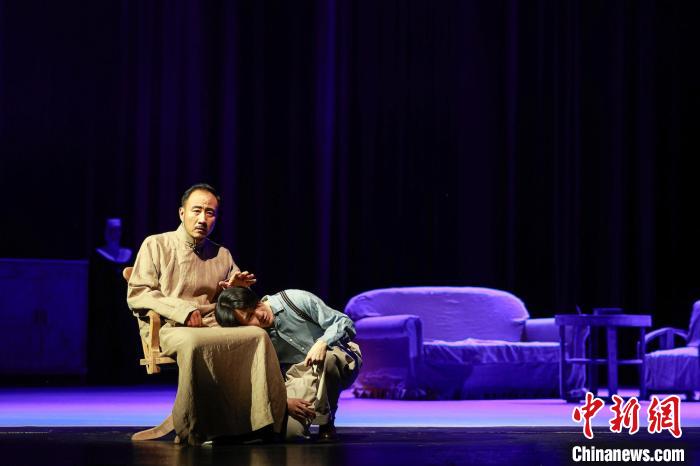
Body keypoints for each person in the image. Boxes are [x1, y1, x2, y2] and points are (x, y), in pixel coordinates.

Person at [126, 183, 287, 445]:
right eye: (196, 210)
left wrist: (235, 290)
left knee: (257, 336)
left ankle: (263, 423)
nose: (202, 219)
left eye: (210, 213)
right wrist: (183, 310)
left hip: (213, 325)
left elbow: (235, 303)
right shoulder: (156, 244)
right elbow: (139, 293)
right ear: (182, 212)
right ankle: (194, 426)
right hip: (171, 327)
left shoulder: (221, 254)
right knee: (194, 342)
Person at [215, 286, 362, 442]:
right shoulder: (253, 337)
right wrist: (283, 401)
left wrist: (323, 342)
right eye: (250, 316)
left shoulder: (294, 300)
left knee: (329, 358)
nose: (260, 314)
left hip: (339, 357)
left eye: (256, 305)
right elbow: (260, 377)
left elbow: (344, 322)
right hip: (300, 374)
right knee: (292, 432)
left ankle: (326, 423)